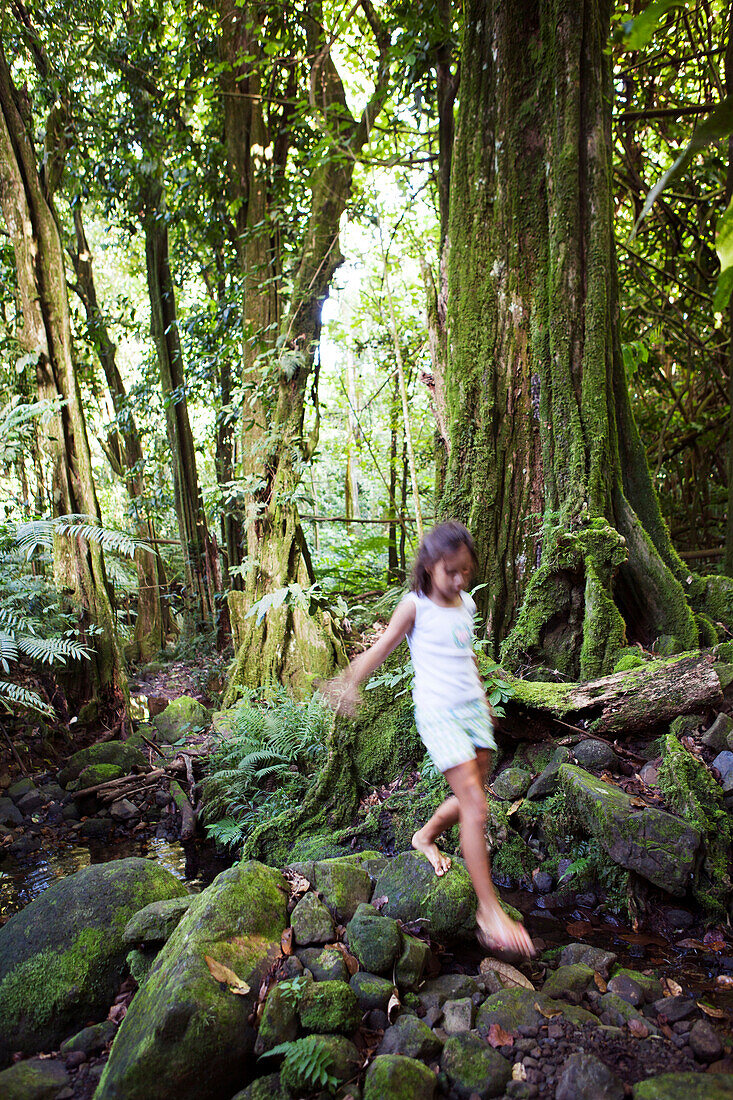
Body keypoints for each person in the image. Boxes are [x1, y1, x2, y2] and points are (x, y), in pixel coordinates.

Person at [321, 521, 535, 958]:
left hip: (473, 710)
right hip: (438, 716)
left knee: (476, 799)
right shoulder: (414, 606)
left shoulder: (467, 604)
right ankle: (489, 911)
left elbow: (468, 654)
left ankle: (426, 835)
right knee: (475, 806)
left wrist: (486, 700)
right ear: (429, 566)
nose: (458, 580)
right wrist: (347, 683)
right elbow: (380, 649)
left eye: (465, 571)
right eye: (450, 571)